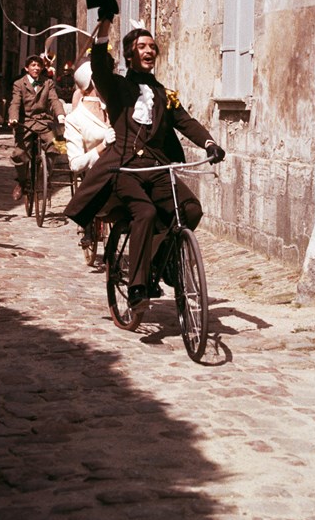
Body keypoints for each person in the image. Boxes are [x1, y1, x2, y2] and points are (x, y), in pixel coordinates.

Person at [64, 22, 225, 309]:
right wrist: (103, 28)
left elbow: (186, 122)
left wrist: (209, 143)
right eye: (142, 47)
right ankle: (138, 288)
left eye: (152, 47)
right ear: (130, 55)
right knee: (146, 212)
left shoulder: (163, 93)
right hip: (125, 168)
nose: (149, 50)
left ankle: (160, 262)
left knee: (190, 209)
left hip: (157, 168)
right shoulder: (116, 87)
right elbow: (99, 66)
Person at [63, 60, 116, 246]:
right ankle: (88, 226)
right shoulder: (75, 119)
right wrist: (101, 147)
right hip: (95, 170)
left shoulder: (113, 107)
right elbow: (76, 164)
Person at [8, 54, 65, 201]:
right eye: (33, 65)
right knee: (19, 154)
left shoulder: (48, 83)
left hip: (44, 122)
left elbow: (54, 100)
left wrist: (60, 115)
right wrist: (13, 118)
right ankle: (22, 181)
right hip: (25, 123)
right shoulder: (19, 83)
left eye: (39, 65)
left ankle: (43, 177)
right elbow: (15, 103)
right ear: (26, 68)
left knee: (58, 146)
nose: (36, 68)